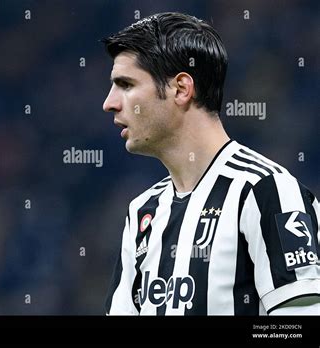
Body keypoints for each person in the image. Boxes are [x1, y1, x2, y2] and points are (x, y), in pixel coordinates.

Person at [102, 12, 319, 315]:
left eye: (125, 84)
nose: (109, 102)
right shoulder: (142, 212)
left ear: (181, 88)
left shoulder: (267, 191)